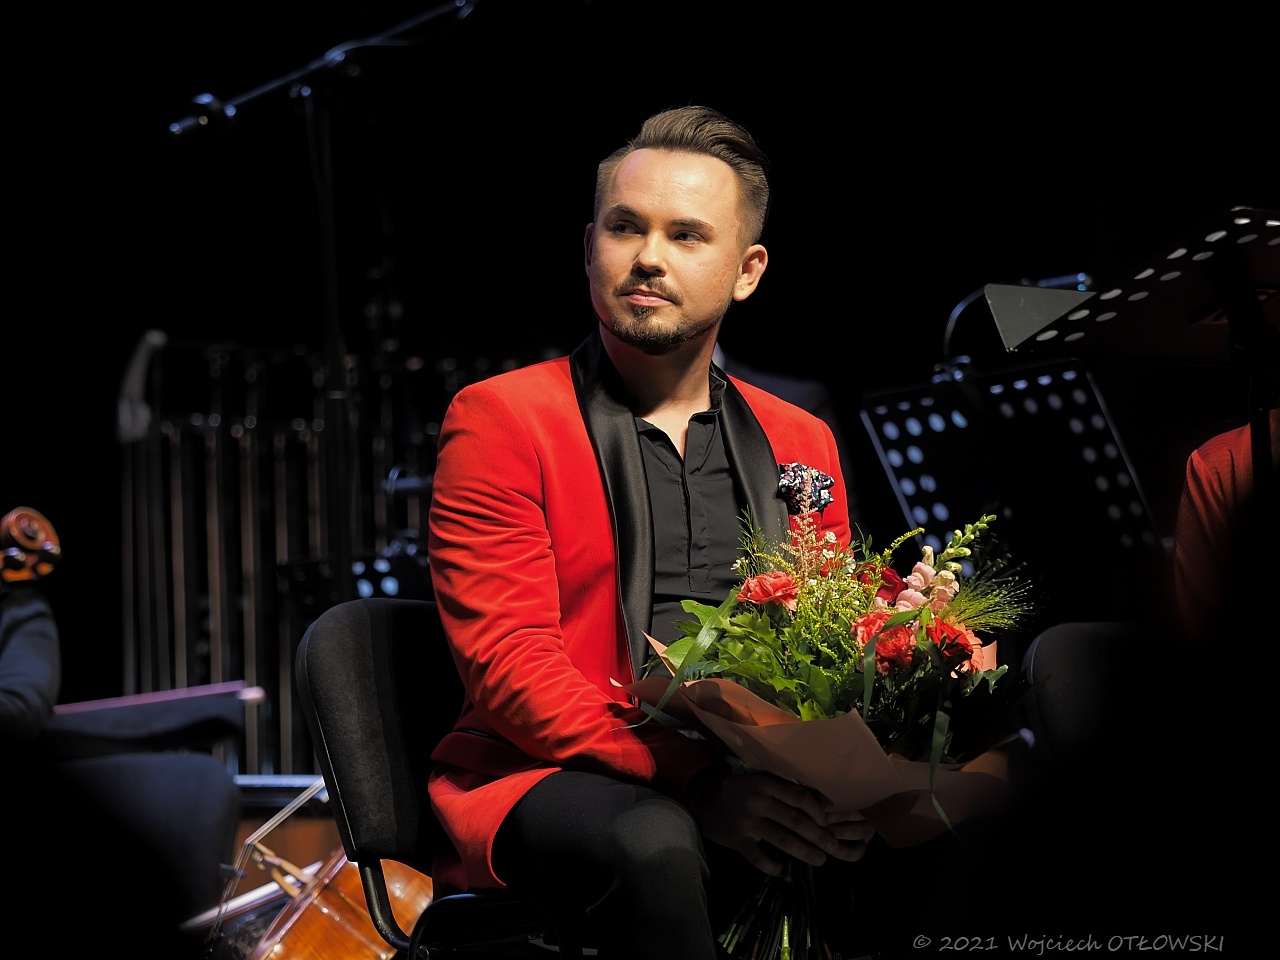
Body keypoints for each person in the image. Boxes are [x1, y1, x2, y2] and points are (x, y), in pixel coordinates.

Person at [425, 106, 873, 958]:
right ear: (589, 244)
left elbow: (827, 646)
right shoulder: (502, 418)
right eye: (625, 226)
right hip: (550, 770)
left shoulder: (801, 438)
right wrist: (697, 779)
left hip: (749, 769)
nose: (649, 258)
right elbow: (510, 666)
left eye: (687, 234)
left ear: (747, 271)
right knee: (655, 841)